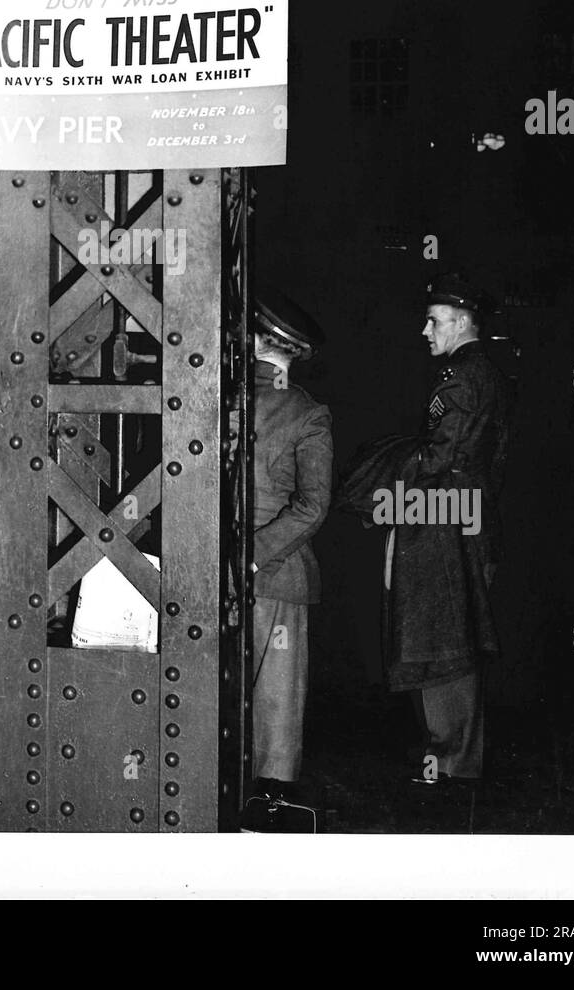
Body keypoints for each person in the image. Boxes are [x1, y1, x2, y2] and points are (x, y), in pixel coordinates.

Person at [378, 273, 514, 785]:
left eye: (434, 321)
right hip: (468, 517)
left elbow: (442, 456)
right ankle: (453, 759)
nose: (425, 331)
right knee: (454, 634)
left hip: (446, 520)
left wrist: (387, 477)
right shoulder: (484, 372)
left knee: (444, 638)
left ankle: (451, 764)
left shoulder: (463, 378)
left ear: (460, 322)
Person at [245, 287, 333, 821]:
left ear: (254, 339)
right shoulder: (308, 414)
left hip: (207, 566)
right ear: (291, 353)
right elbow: (312, 507)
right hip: (277, 574)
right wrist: (253, 557)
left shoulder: (215, 395)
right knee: (275, 698)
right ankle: (267, 805)